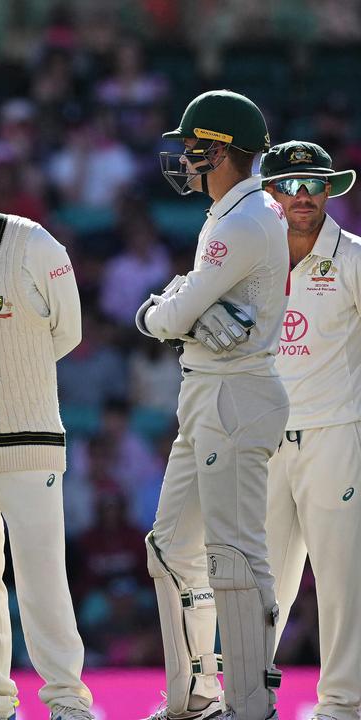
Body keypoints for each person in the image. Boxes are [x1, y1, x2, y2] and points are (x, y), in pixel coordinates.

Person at [137, 90, 289, 720]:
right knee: (170, 546)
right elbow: (191, 313)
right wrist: (187, 313)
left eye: (194, 147)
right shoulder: (232, 212)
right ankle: (196, 695)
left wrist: (162, 308)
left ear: (220, 149)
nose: (186, 159)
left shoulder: (245, 219)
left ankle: (252, 703)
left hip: (237, 391)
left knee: (234, 552)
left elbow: (171, 313)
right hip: (207, 391)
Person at [0, 146, 94, 720]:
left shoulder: (34, 242)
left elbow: (66, 334)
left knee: (41, 577)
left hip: (28, 434)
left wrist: (16, 380)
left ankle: (66, 700)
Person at [261, 140, 361, 720]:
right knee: (261, 583)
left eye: (315, 185)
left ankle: (341, 705)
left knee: (341, 581)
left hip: (334, 437)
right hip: (264, 440)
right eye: (291, 186)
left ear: (330, 190)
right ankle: (251, 697)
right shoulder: (251, 259)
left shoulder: (352, 259)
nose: (303, 196)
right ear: (270, 192)